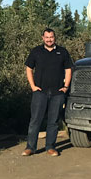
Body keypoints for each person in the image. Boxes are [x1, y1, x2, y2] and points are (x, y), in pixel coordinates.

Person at [22, 28, 73, 157]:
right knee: (35, 121)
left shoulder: (62, 52)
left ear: (54, 38)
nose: (49, 39)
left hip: (57, 93)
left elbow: (68, 69)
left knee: (53, 122)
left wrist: (66, 87)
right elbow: (28, 68)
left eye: (51, 37)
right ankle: (30, 147)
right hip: (40, 92)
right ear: (42, 38)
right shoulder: (36, 52)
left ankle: (50, 147)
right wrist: (33, 86)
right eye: (47, 37)